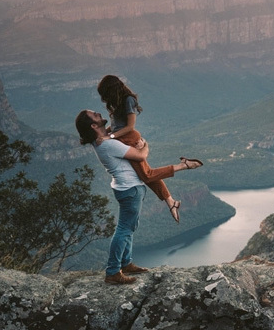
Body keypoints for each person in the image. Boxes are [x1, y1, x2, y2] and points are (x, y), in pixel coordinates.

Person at [74, 109, 197, 285]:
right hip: (130, 189)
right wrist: (145, 144)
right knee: (124, 229)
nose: (98, 113)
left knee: (129, 226)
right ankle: (113, 271)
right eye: (95, 114)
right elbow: (140, 156)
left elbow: (115, 127)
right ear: (94, 126)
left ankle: (126, 262)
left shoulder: (103, 139)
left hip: (127, 188)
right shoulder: (108, 144)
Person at [97, 75, 202, 223]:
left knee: (147, 175)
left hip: (129, 139)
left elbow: (130, 127)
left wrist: (110, 137)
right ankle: (171, 202)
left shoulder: (128, 100)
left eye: (105, 93)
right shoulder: (117, 102)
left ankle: (183, 165)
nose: (104, 98)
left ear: (112, 89)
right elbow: (117, 124)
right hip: (122, 140)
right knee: (146, 175)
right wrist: (106, 132)